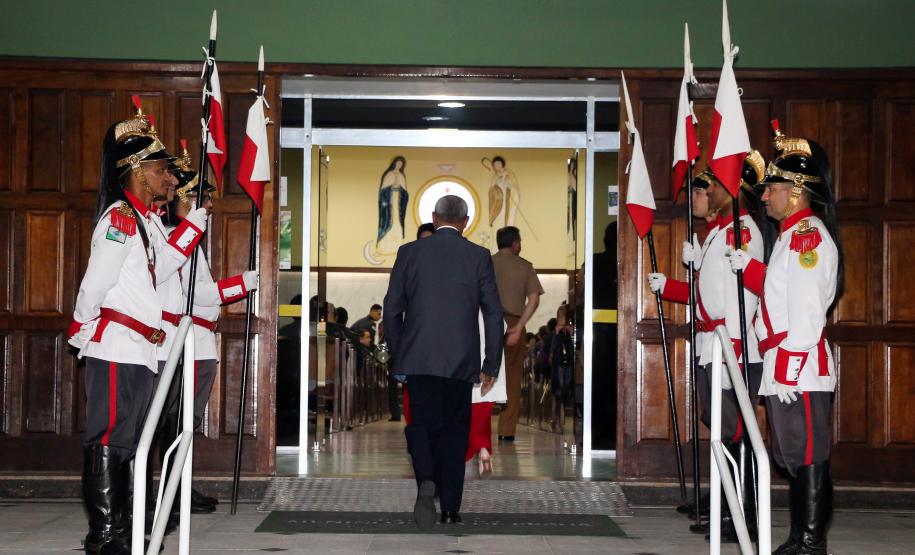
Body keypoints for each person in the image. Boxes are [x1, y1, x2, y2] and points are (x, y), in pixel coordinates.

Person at [67, 105, 206, 554]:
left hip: (140, 349)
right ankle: (105, 534)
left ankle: (122, 527)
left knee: (129, 443)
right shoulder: (120, 218)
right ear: (137, 171)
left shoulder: (143, 221)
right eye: (161, 169)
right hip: (116, 345)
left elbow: (162, 268)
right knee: (110, 439)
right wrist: (82, 327)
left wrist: (191, 226)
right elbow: (95, 284)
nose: (170, 177)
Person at [728, 123, 843, 555]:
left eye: (772, 189)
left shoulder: (807, 237)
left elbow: (807, 312)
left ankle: (811, 542)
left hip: (800, 365)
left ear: (795, 192)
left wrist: (790, 369)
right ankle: (800, 537)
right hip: (784, 361)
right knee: (794, 455)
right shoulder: (790, 237)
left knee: (809, 455)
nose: (764, 197)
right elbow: (779, 292)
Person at [648, 155, 767, 538]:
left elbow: (743, 298)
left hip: (731, 346)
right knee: (722, 428)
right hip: (715, 343)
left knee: (736, 431)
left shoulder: (741, 233)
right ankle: (726, 504)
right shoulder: (722, 232)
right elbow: (709, 294)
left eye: (706, 188)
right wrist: (679, 281)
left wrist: (733, 348)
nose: (699, 195)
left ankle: (743, 513)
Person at [383, 195, 502, 529]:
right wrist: (491, 363)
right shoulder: (478, 256)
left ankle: (426, 477)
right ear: (465, 222)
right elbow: (493, 313)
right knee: (454, 431)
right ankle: (450, 509)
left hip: (419, 358)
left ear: (434, 218)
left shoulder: (409, 252)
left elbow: (391, 309)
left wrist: (400, 355)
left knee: (421, 425)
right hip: (461, 361)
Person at [157, 144, 259, 521]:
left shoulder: (189, 241)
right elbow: (194, 294)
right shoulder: (176, 238)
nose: (211, 205)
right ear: (185, 200)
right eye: (204, 198)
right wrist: (240, 285)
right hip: (186, 343)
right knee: (177, 420)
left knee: (187, 421)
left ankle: (180, 486)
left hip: (200, 342)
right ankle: (172, 491)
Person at [492, 226, 543, 441]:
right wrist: (520, 325)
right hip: (514, 322)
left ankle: (477, 429)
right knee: (512, 378)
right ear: (515, 244)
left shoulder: (486, 263)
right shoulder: (524, 266)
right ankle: (506, 431)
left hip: (488, 323)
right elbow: (534, 300)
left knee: (482, 374)